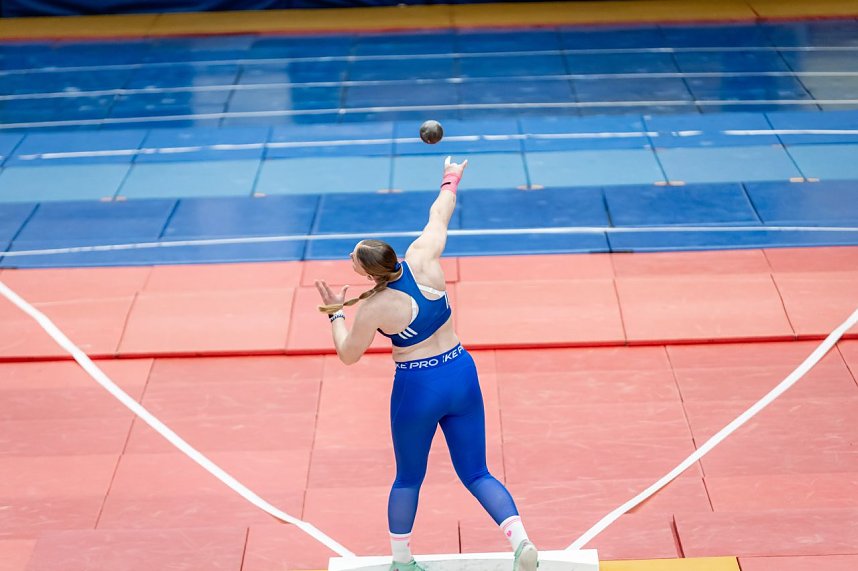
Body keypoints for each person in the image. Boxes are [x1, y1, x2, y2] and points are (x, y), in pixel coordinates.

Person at [315, 156, 538, 571]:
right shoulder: (423, 253)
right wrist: (450, 178)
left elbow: (348, 355)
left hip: (419, 388)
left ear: (368, 274)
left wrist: (335, 314)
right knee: (476, 471)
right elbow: (440, 213)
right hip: (461, 373)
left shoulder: (377, 307)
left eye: (353, 258)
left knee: (408, 477)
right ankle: (521, 542)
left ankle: (401, 561)